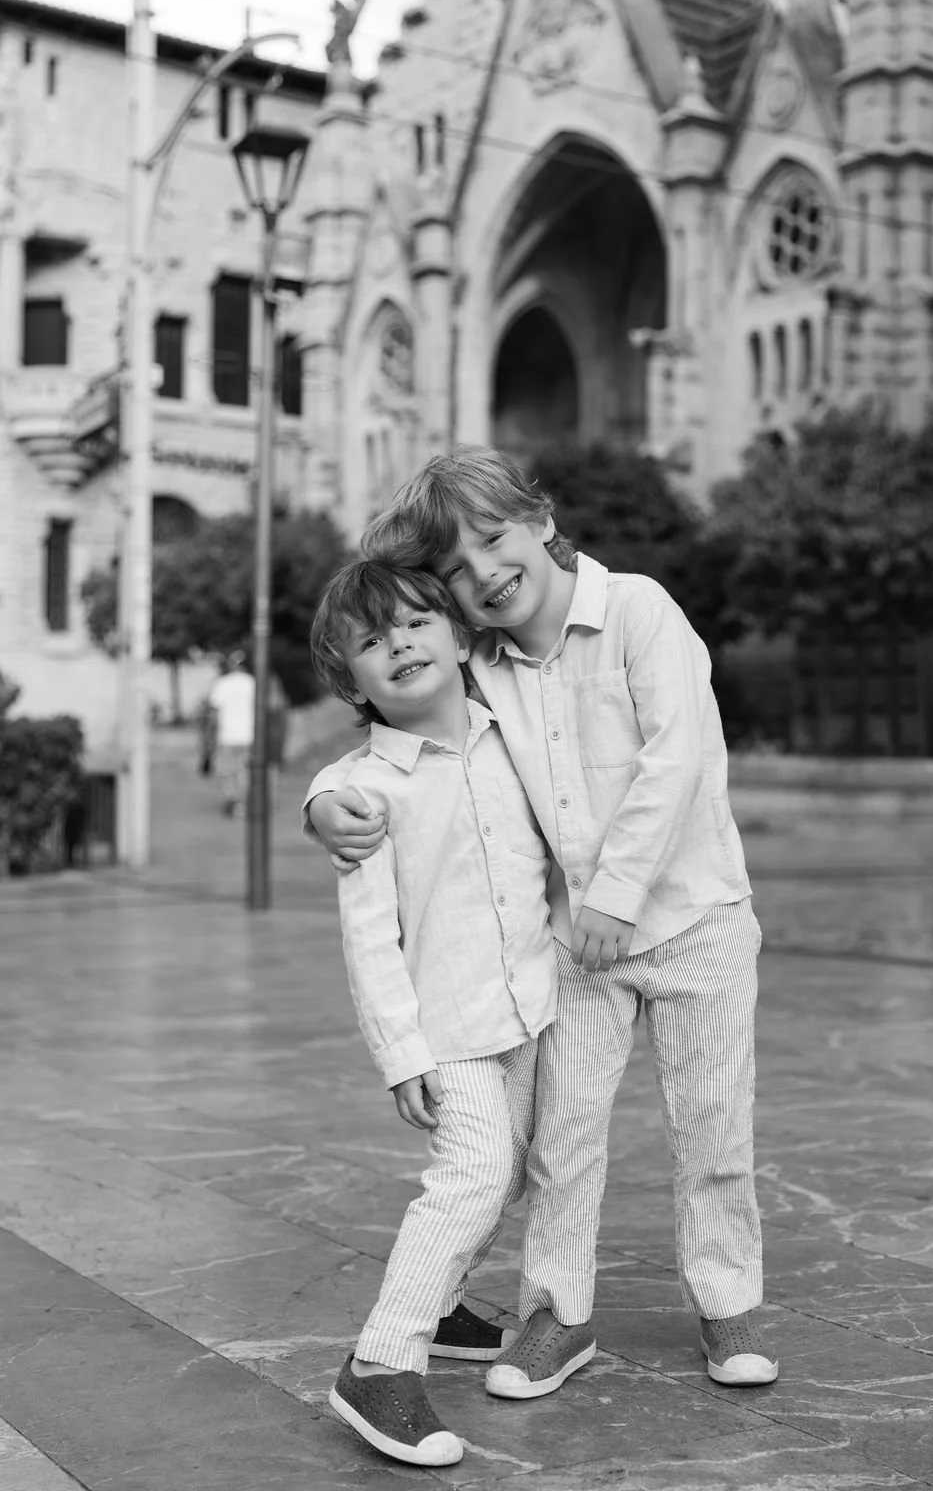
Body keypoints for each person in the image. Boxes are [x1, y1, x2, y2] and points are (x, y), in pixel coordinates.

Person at [305, 446, 778, 1400]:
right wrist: (322, 803)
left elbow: (676, 758)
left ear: (542, 519)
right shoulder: (478, 658)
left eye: (495, 539)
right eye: (457, 570)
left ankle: (728, 1306)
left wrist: (617, 894)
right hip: (576, 949)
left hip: (697, 920)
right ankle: (558, 1314)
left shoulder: (639, 609)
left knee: (714, 1131)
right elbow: (402, 734)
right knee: (562, 1142)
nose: (485, 573)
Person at [307, 558, 560, 1467]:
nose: (400, 645)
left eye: (416, 623)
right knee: (474, 1172)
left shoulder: (515, 735)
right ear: (352, 682)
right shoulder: (363, 795)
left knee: (512, 1171)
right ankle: (381, 1362)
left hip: (531, 1007)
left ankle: (444, 1303)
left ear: (461, 638)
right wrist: (400, 1054)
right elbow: (369, 940)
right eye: (371, 641)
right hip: (446, 1028)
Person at [207, 650, 255, 817]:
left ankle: (231, 799)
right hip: (249, 736)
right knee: (244, 771)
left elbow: (214, 713)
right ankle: (242, 803)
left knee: (226, 771)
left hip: (226, 735)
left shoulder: (222, 683)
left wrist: (211, 736)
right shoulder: (253, 683)